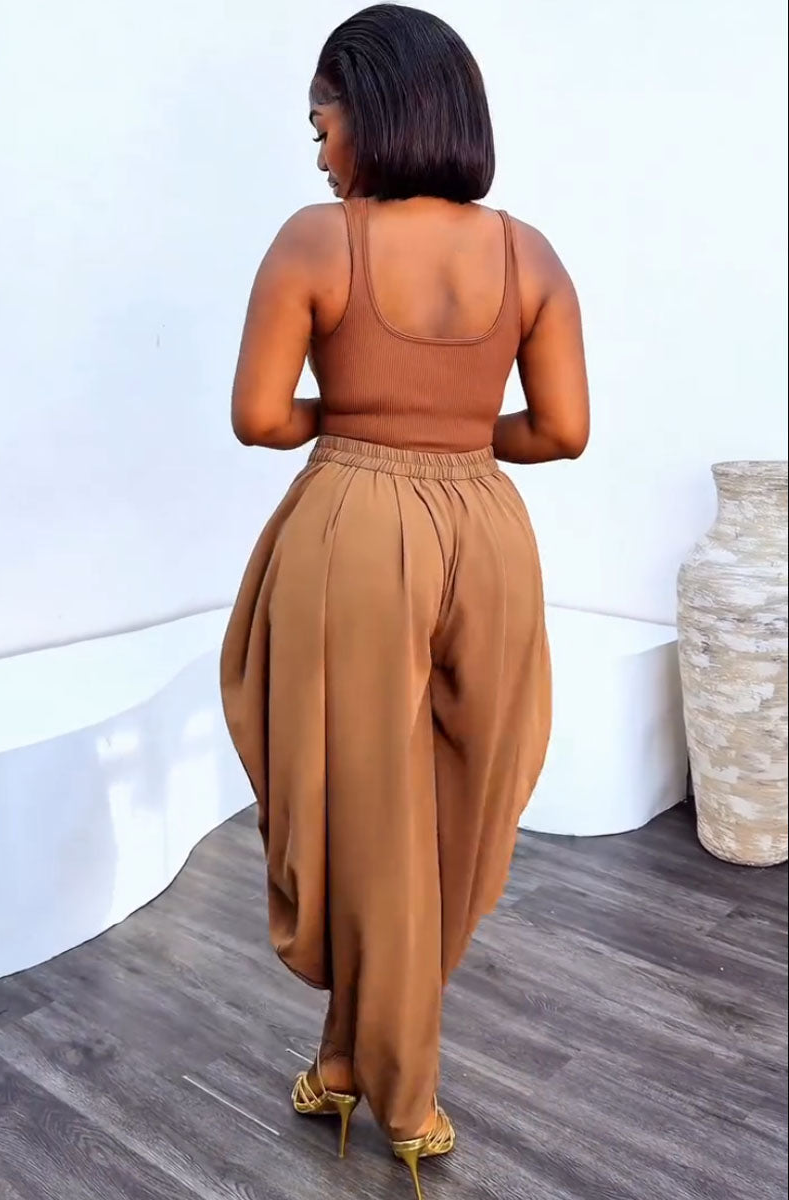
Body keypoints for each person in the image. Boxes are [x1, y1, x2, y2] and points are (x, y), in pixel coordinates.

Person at [221, 5, 589, 1196]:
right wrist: (454, 435)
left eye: (320, 123)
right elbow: (563, 431)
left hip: (355, 527)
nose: (318, 152)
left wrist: (364, 422)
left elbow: (260, 417)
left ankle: (401, 1092)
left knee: (359, 808)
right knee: (449, 808)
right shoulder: (530, 255)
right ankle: (346, 1061)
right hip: (488, 536)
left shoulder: (316, 241)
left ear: (370, 112)